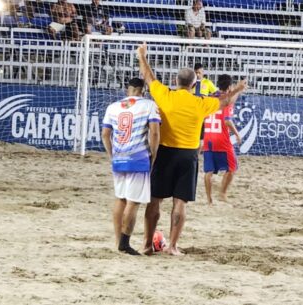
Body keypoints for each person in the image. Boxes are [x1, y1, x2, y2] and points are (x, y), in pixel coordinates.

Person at [136, 43, 247, 256]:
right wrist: (239, 89)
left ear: (176, 82)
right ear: (195, 83)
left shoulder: (165, 95)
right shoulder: (200, 103)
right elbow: (223, 102)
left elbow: (148, 77)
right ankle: (173, 247)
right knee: (180, 203)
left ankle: (147, 245)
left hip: (165, 152)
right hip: (188, 155)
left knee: (154, 200)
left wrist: (142, 55)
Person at [100, 78, 160, 256]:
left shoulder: (113, 107)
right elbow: (155, 132)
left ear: (128, 89)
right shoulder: (149, 105)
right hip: (138, 158)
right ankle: (125, 244)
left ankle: (118, 240)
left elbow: (105, 134)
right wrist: (154, 155)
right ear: (144, 90)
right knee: (133, 202)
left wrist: (112, 155)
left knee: (120, 198)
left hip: (119, 158)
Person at [201, 75, 244, 204]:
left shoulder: (211, 98)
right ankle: (222, 193)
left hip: (208, 137)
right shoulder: (226, 102)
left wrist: (238, 89)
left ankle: (209, 200)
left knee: (209, 171)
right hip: (222, 139)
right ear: (229, 87)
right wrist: (237, 134)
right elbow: (227, 121)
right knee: (232, 168)